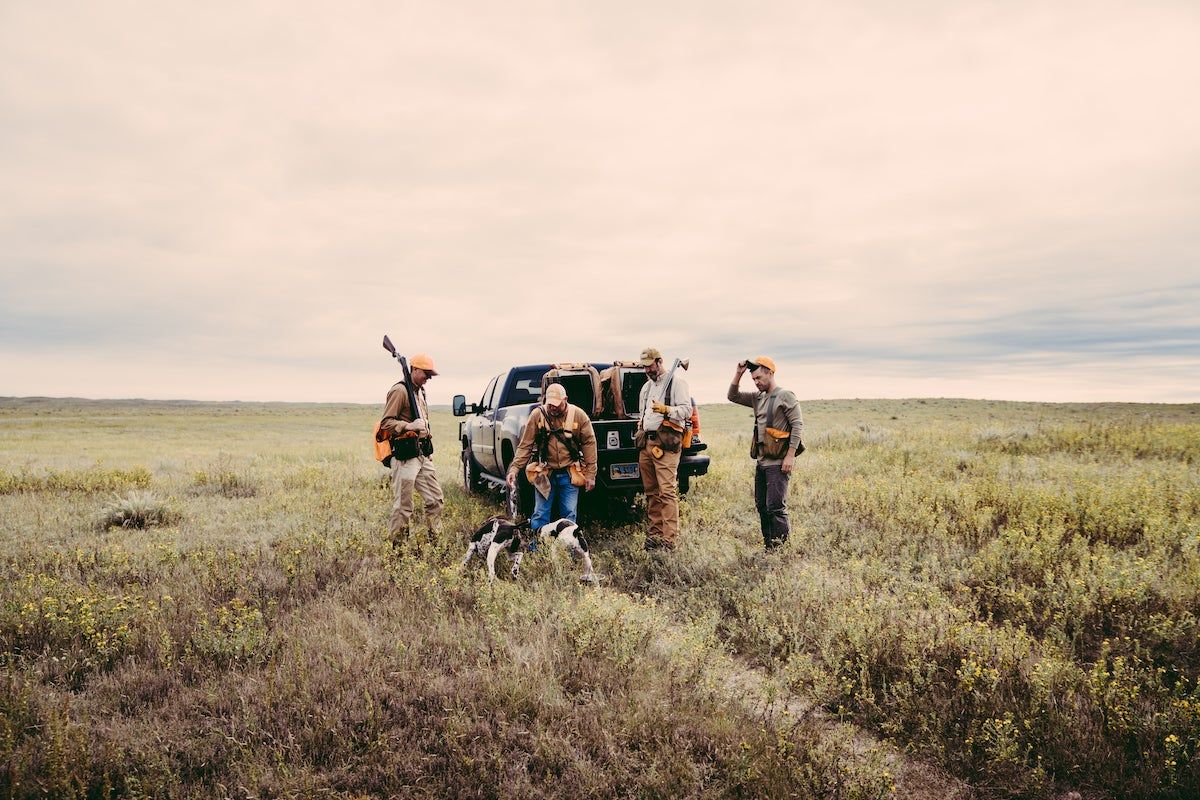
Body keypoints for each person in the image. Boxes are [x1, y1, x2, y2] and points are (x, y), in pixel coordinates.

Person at [728, 356, 803, 549]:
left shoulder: (785, 395)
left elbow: (797, 425)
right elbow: (732, 396)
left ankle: (781, 549)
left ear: (770, 373)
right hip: (761, 460)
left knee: (776, 507)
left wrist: (790, 456)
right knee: (762, 506)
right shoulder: (757, 397)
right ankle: (769, 546)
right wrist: (738, 373)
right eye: (753, 379)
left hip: (778, 462)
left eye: (759, 378)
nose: (756, 382)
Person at [507, 383, 597, 531]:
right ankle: (538, 547)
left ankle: (566, 550)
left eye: (556, 404)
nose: (553, 408)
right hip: (545, 473)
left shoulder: (579, 415)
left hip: (570, 473)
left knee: (569, 514)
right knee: (540, 513)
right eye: (550, 404)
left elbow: (589, 444)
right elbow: (525, 445)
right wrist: (514, 469)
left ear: (565, 399)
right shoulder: (537, 415)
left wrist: (590, 474)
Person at [378, 353, 444, 544]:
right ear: (414, 370)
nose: (428, 378)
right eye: (426, 373)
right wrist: (409, 426)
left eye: (430, 375)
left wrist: (428, 451)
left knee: (435, 500)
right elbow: (386, 423)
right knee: (403, 506)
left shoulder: (419, 391)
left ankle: (436, 543)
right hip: (406, 456)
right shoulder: (400, 391)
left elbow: (424, 423)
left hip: (422, 454)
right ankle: (398, 549)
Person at [635, 347, 692, 549]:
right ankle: (655, 535)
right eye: (644, 366)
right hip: (647, 444)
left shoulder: (677, 382)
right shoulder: (646, 388)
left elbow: (687, 410)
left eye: (649, 365)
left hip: (666, 444)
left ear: (659, 362)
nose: (647, 370)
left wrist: (667, 409)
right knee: (651, 493)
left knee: (667, 493)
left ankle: (669, 540)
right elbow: (643, 414)